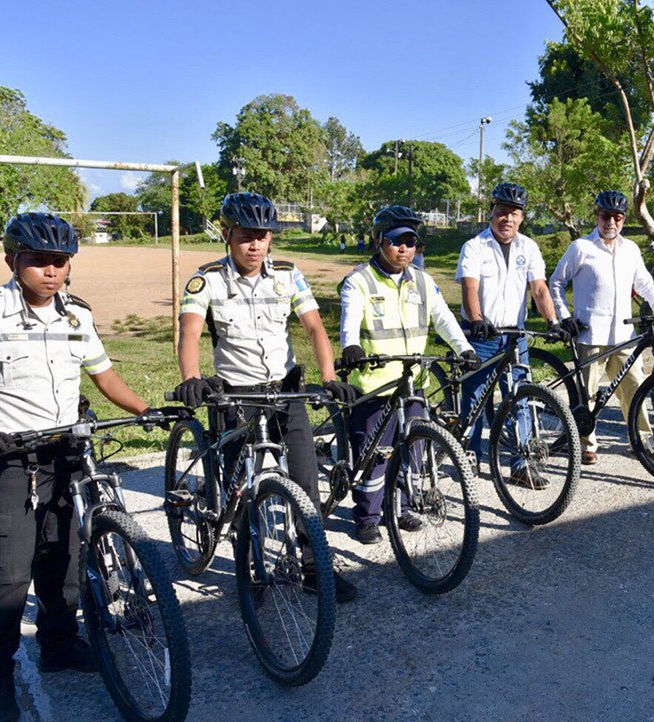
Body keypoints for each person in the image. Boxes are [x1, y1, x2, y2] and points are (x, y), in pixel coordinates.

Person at [0, 213, 159, 722]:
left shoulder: (77, 315)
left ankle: (59, 643)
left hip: (67, 453)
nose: (50, 271)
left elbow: (104, 375)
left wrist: (145, 411)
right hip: (9, 459)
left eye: (60, 262)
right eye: (38, 260)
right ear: (11, 260)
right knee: (5, 576)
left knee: (63, 562)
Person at [173, 192, 357, 603]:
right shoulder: (206, 280)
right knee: (243, 490)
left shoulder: (289, 275)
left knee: (306, 482)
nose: (254, 245)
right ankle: (251, 571)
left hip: (284, 391)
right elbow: (189, 333)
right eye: (245, 237)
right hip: (236, 395)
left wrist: (328, 376)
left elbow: (313, 328)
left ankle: (314, 568)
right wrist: (191, 376)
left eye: (263, 236)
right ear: (227, 235)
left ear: (272, 238)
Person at [339, 205, 478, 544]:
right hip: (374, 384)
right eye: (396, 241)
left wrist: (464, 349)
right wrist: (351, 347)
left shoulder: (423, 281)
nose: (404, 249)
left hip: (413, 383)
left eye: (411, 241)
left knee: (411, 451)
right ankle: (368, 516)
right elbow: (349, 320)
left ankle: (399, 507)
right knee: (375, 455)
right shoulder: (359, 281)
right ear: (379, 242)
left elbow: (443, 318)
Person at [548, 190, 654, 465]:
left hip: (624, 336)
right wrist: (564, 316)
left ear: (623, 220)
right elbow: (556, 283)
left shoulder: (631, 249)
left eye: (617, 217)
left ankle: (643, 441)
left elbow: (645, 285)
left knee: (635, 390)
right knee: (589, 394)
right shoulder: (581, 248)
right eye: (605, 216)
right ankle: (587, 444)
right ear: (597, 216)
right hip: (590, 335)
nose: (611, 222)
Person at [456, 181, 566, 486]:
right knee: (476, 398)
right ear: (492, 213)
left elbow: (540, 288)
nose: (507, 218)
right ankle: (470, 456)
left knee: (521, 399)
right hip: (482, 336)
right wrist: (477, 319)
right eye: (502, 212)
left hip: (515, 337)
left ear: (522, 217)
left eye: (514, 214)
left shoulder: (528, 247)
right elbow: (470, 286)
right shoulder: (475, 247)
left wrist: (553, 321)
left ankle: (521, 463)